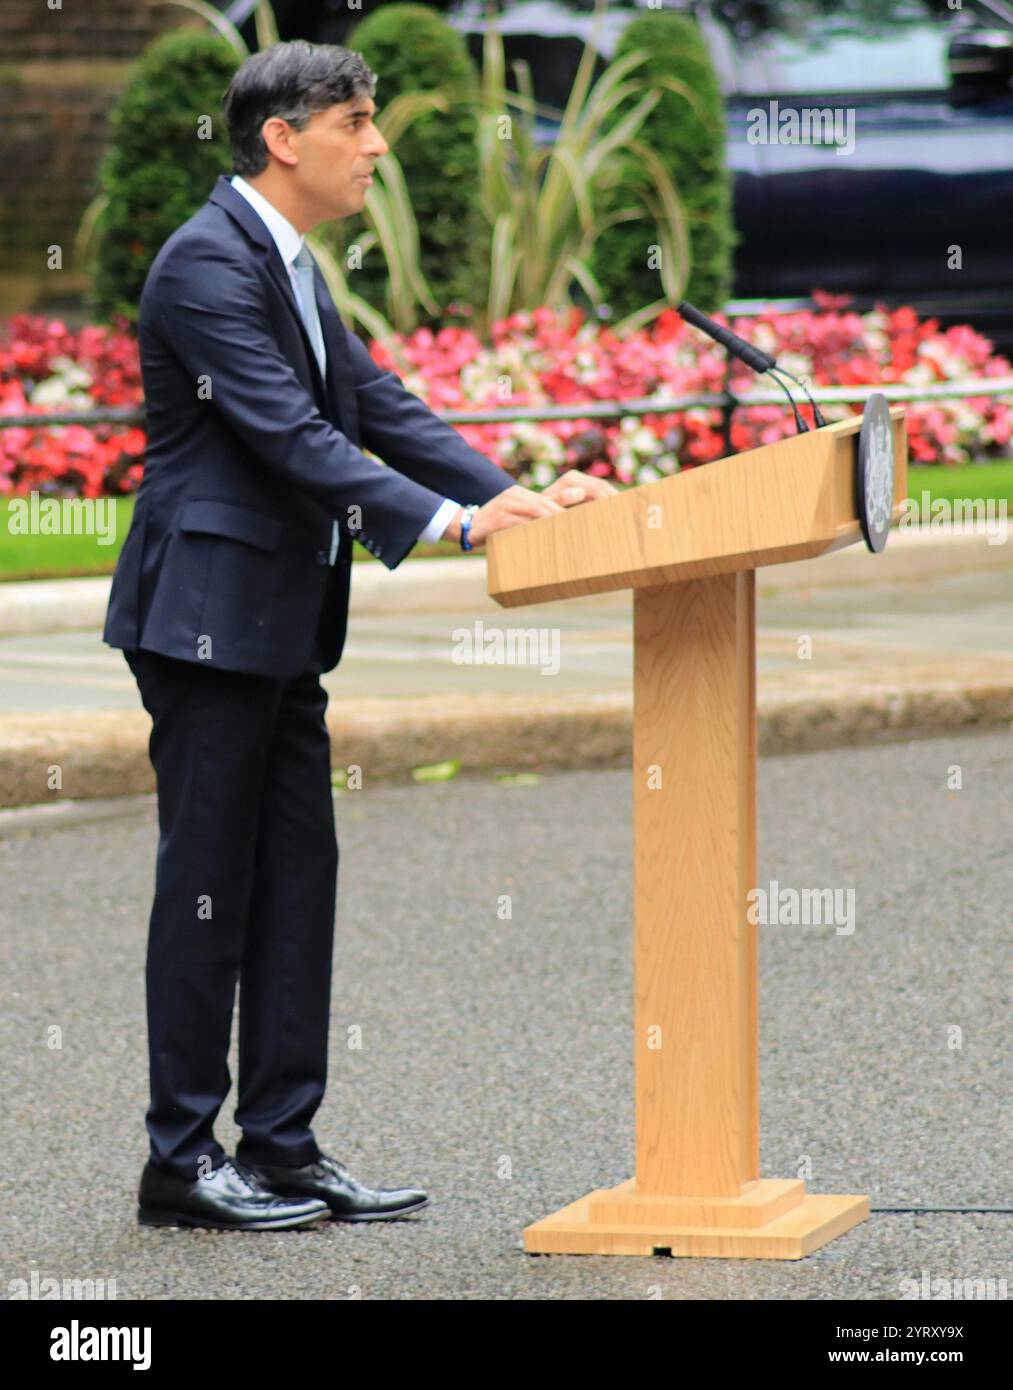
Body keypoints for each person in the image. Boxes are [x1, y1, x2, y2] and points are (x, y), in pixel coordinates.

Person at [102, 39, 615, 1231]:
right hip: (206, 629)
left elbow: (373, 401)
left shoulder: (279, 260)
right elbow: (289, 435)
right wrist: (449, 522)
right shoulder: (204, 267)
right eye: (357, 124)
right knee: (207, 894)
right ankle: (179, 1161)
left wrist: (508, 494)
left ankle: (281, 1144)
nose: (377, 146)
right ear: (283, 139)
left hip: (279, 628)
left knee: (293, 885)